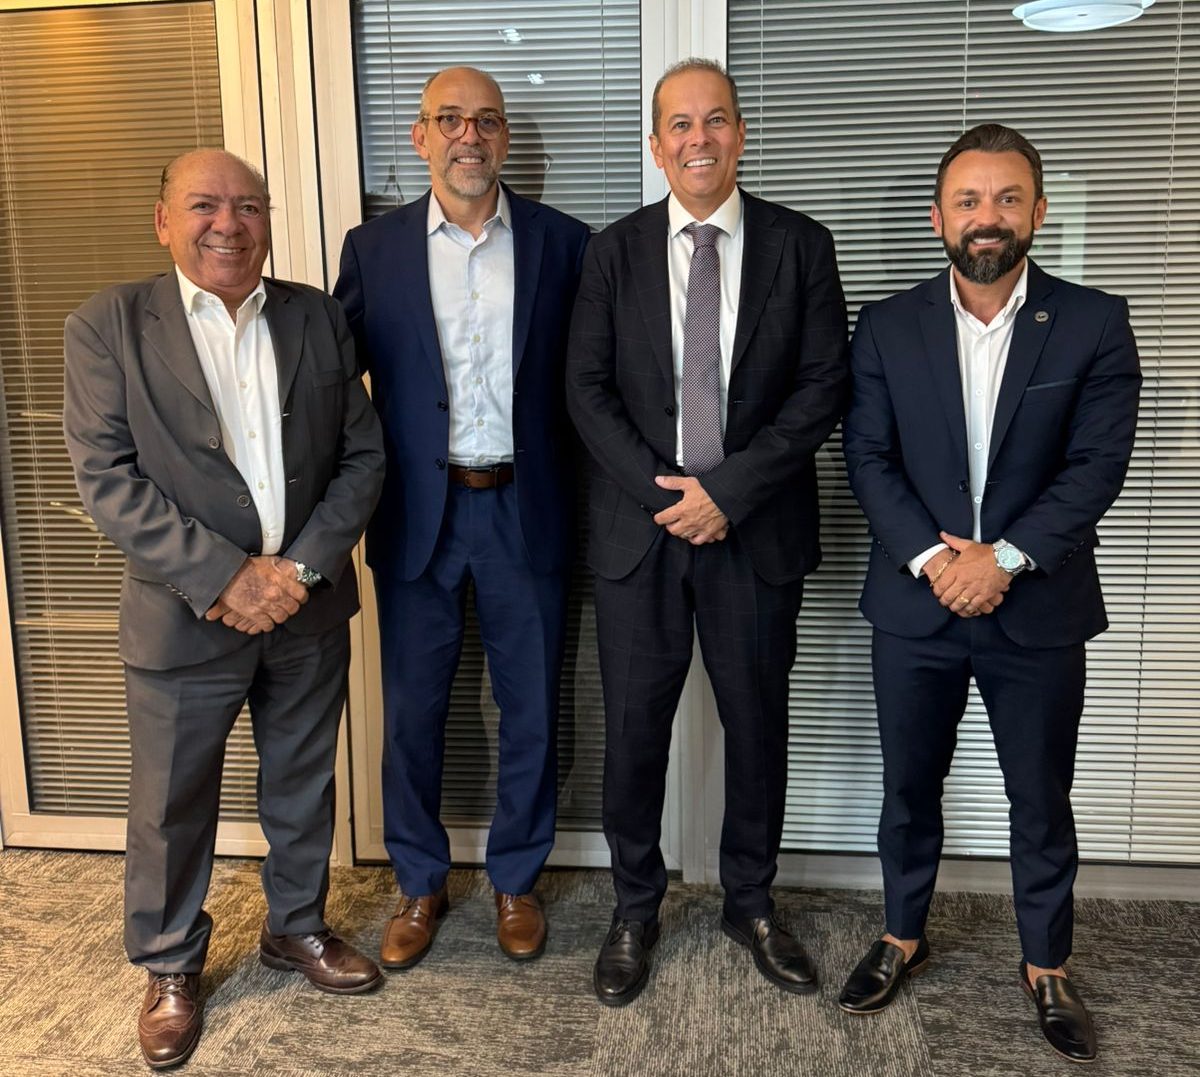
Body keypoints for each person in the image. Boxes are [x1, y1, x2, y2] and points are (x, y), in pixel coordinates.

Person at [63, 149, 387, 1070]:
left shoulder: (317, 316)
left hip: (305, 608)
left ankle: (296, 925)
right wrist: (227, 577)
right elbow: (108, 480)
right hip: (184, 617)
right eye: (205, 204)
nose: (229, 223)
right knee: (171, 801)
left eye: (248, 205)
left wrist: (301, 571)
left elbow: (363, 456)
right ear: (163, 220)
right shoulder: (108, 326)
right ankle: (170, 962)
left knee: (303, 782)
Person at [838, 124, 1140, 1064]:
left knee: (1040, 797)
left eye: (1008, 198)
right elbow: (868, 457)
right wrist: (940, 561)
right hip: (916, 605)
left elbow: (1096, 468)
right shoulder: (886, 326)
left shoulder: (1093, 322)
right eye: (968, 200)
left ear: (1038, 212)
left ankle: (1047, 962)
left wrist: (1000, 560)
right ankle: (902, 934)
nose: (988, 217)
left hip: (1038, 607)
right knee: (907, 789)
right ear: (939, 218)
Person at [566, 58, 848, 1006]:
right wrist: (672, 498)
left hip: (756, 532)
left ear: (740, 134)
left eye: (715, 120)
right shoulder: (612, 252)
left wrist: (726, 492)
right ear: (656, 145)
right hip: (640, 535)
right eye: (680, 125)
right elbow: (586, 390)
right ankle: (634, 906)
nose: (699, 139)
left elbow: (823, 387)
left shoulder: (801, 246)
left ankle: (751, 902)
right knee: (635, 731)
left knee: (756, 727)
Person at [334, 66, 591, 968]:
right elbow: (332, 385)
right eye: (449, 120)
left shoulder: (566, 244)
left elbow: (594, 381)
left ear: (505, 137)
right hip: (417, 513)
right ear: (420, 137)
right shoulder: (373, 251)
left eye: (485, 121)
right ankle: (419, 880)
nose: (467, 137)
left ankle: (516, 878)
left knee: (533, 709)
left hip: (530, 507)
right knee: (412, 712)